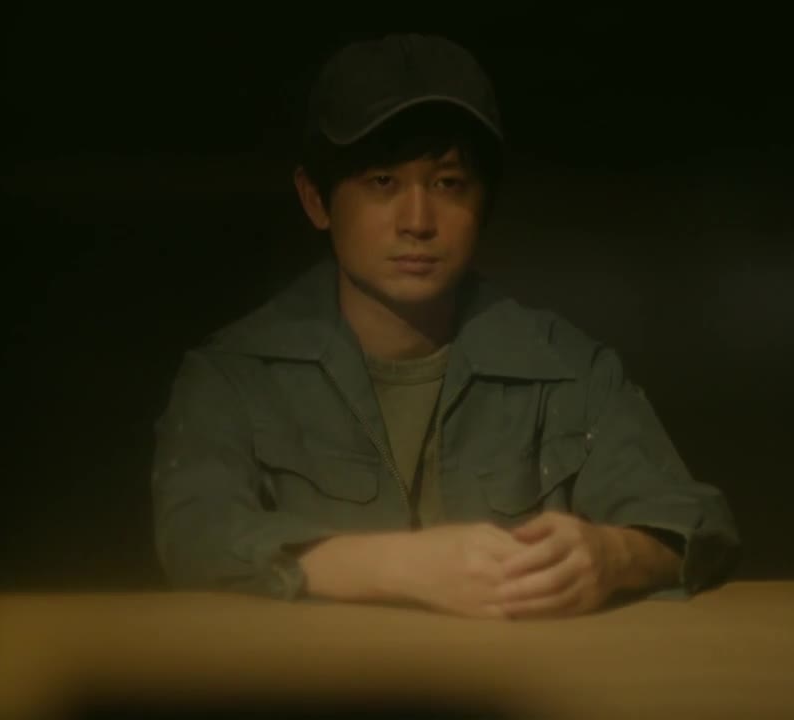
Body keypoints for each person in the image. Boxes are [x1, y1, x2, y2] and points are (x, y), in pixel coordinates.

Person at [150, 32, 740, 620]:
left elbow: (696, 524)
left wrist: (612, 555)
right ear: (315, 199)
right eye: (382, 181)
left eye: (447, 184)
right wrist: (400, 566)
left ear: (484, 203)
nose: (418, 221)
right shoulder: (233, 374)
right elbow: (195, 536)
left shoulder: (568, 369)